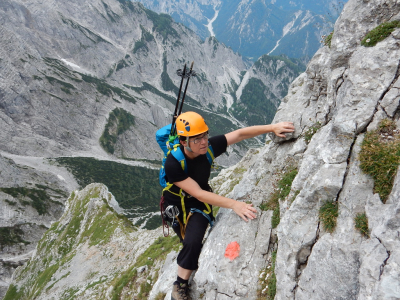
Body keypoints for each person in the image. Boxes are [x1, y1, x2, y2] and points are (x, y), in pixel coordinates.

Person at [164, 111, 295, 300]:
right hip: (177, 207)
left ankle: (180, 284)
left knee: (192, 241)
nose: (204, 142)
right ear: (184, 142)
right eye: (197, 139)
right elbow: (198, 192)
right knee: (187, 242)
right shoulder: (173, 164)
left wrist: (272, 128)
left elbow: (240, 134)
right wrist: (234, 205)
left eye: (205, 135)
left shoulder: (207, 147)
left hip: (197, 204)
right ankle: (188, 262)